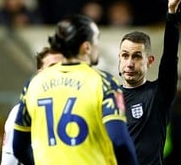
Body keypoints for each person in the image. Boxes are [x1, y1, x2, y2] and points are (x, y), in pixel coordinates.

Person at [13, 14, 138, 165]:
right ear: (86, 47)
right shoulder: (104, 82)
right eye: (96, 39)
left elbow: (19, 147)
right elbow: (120, 141)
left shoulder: (33, 84)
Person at [118, 0, 181, 165]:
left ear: (149, 61)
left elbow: (170, 56)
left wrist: (172, 13)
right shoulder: (108, 98)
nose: (129, 63)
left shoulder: (158, 94)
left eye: (137, 57)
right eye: (125, 56)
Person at [1, 47, 63, 165]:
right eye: (52, 66)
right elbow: (9, 158)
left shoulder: (78, 107)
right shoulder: (20, 111)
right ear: (40, 73)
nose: (57, 71)